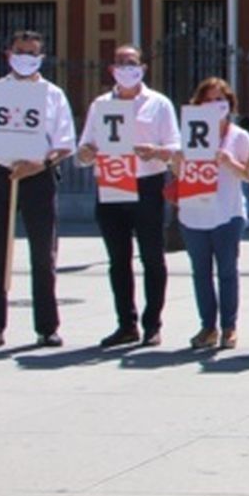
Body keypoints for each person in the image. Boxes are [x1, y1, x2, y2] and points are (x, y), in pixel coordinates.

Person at [0, 29, 77, 351]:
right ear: (9, 54)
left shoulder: (53, 94)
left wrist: (41, 163)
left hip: (38, 177)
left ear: (41, 57)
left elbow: (64, 145)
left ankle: (47, 327)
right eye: (20, 51)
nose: (26, 58)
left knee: (44, 255)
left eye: (33, 53)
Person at [75, 44, 180, 349]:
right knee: (118, 260)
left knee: (152, 257)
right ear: (112, 70)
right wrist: (86, 153)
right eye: (121, 63)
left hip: (147, 184)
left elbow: (175, 149)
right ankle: (126, 323)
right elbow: (83, 151)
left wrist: (156, 152)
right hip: (111, 185)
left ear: (143, 68)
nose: (126, 68)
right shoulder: (99, 105)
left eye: (132, 63)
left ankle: (152, 324)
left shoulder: (158, 104)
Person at [171, 78, 249, 351]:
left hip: (227, 212)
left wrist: (230, 162)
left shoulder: (239, 136)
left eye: (221, 99)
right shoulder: (188, 133)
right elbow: (178, 172)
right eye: (209, 100)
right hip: (194, 212)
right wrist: (177, 161)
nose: (216, 105)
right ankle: (208, 326)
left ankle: (229, 327)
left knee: (227, 271)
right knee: (200, 273)